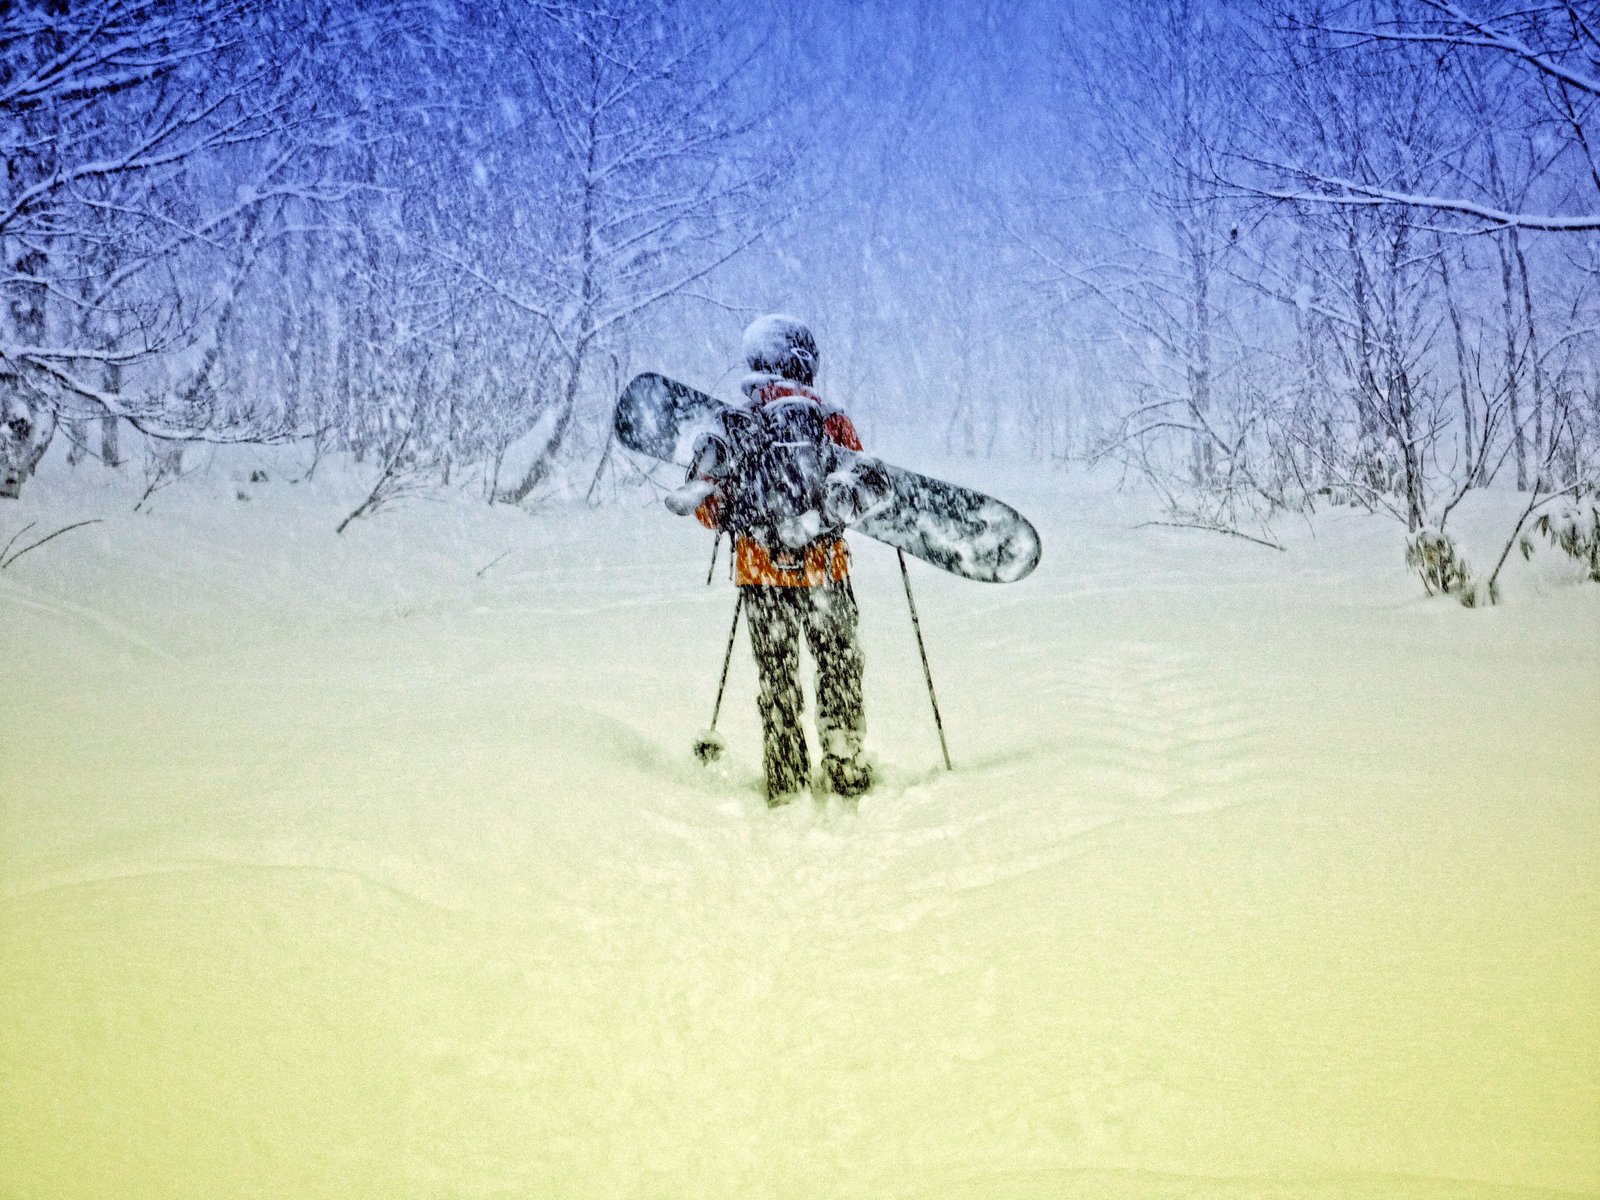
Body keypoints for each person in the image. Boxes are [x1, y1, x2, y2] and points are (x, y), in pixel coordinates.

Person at [688, 315, 872, 805]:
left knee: (777, 677)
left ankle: (786, 774)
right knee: (838, 665)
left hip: (760, 575)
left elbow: (710, 510)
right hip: (824, 573)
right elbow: (856, 500)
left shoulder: (735, 423)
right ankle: (845, 763)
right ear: (804, 360)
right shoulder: (832, 422)